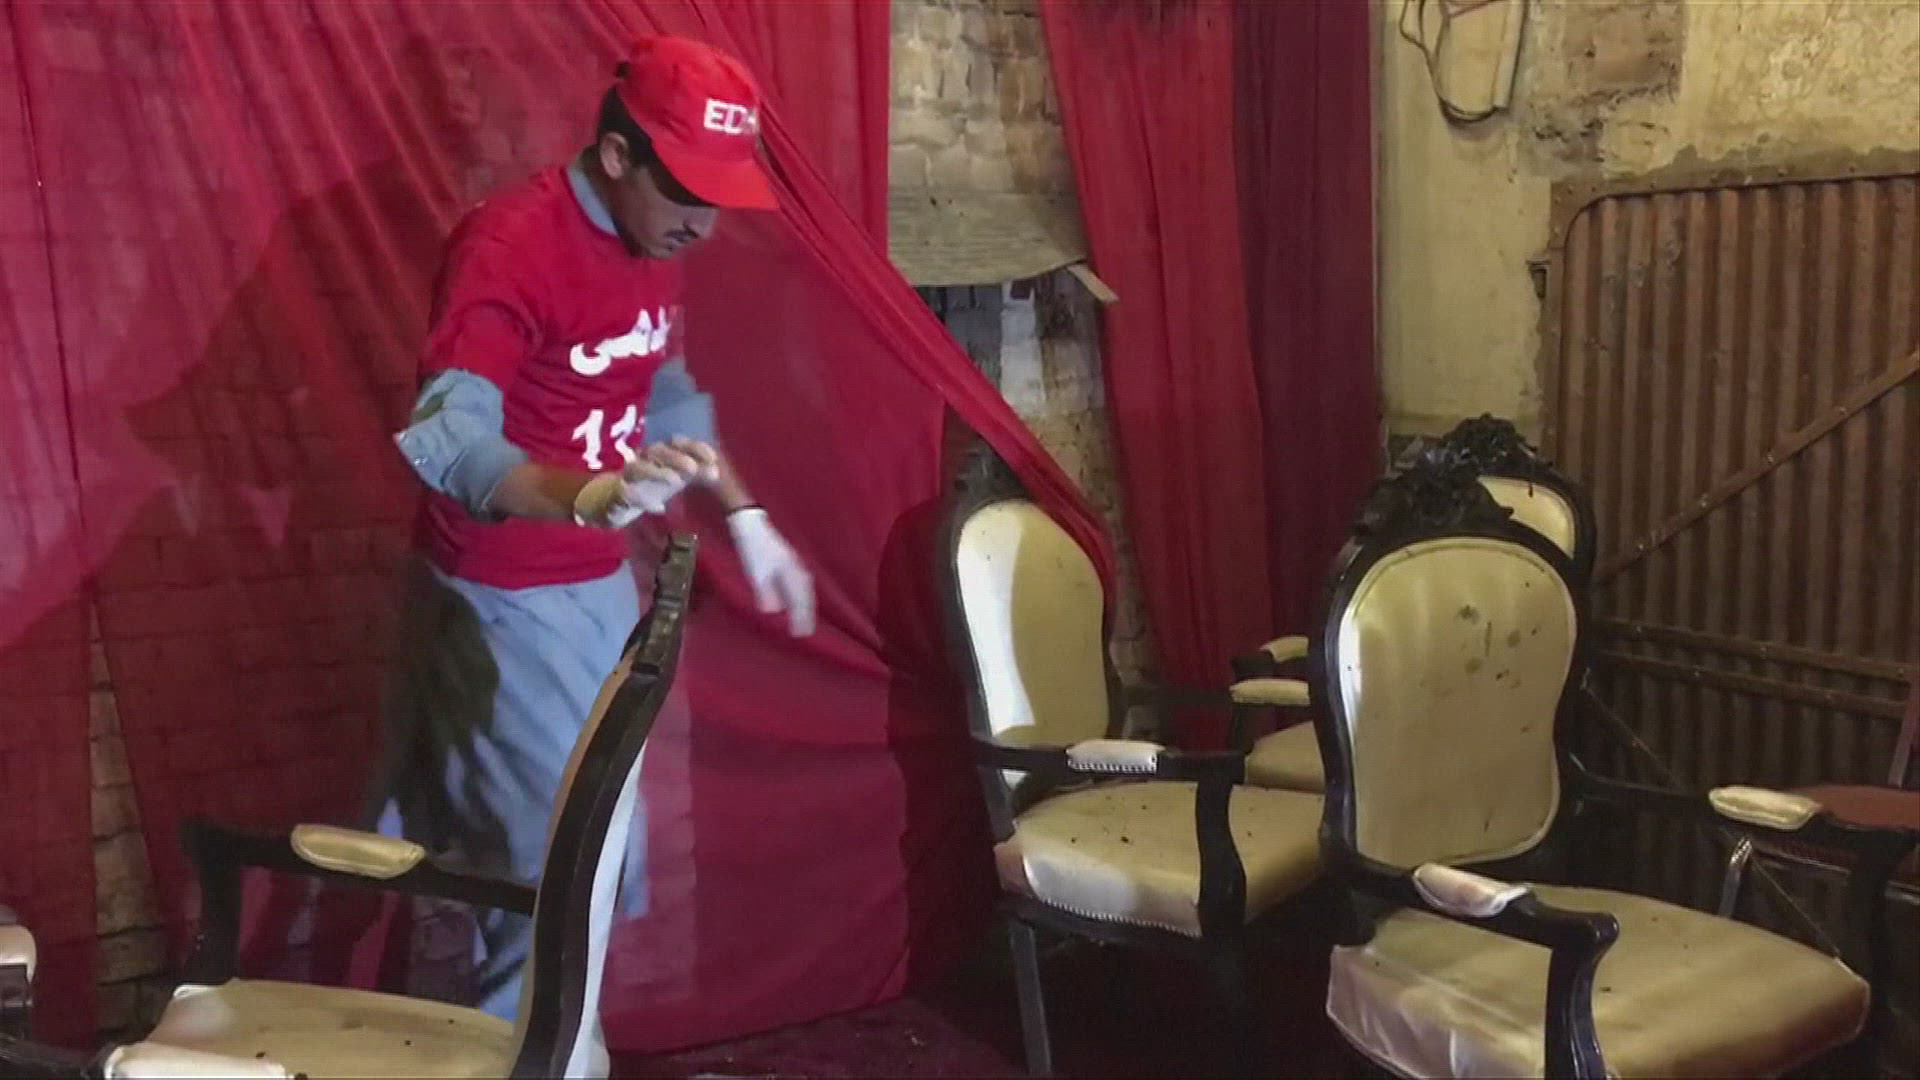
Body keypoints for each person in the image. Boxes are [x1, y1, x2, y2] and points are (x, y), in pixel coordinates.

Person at [366, 32, 816, 1042]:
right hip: (505, 591)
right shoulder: (513, 243)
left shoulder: (650, 242)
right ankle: (540, 1057)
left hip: (592, 586)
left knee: (590, 860)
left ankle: (553, 1050)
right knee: (556, 878)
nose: (702, 221)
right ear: (617, 155)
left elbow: (659, 387)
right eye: (686, 190)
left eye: (719, 196)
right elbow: (448, 437)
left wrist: (744, 512)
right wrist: (584, 496)